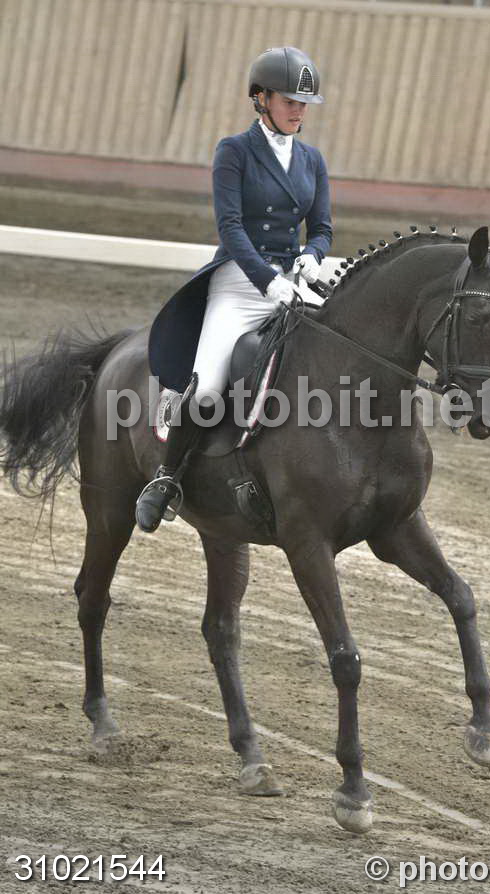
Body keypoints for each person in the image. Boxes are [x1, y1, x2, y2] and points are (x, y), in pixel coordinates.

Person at [136, 46, 333, 532]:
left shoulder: (312, 160)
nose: (298, 111)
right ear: (261, 98)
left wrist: (312, 256)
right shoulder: (235, 151)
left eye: (304, 103)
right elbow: (230, 227)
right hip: (240, 284)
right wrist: (267, 281)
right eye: (289, 101)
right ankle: (166, 478)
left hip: (291, 283)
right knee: (206, 389)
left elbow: (322, 227)